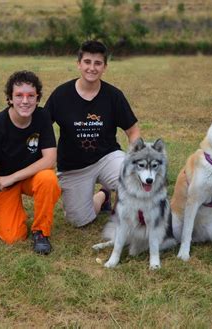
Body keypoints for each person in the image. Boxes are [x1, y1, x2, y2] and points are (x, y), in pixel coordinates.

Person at [44, 40, 140, 227]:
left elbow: (133, 130)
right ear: (79, 64)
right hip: (74, 167)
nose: (92, 68)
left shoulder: (113, 96)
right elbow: (43, 126)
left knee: (132, 176)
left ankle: (120, 212)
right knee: (78, 220)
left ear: (105, 67)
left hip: (107, 158)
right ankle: (103, 195)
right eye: (87, 62)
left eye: (98, 63)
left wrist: (134, 158)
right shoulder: (61, 95)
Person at [0, 70, 61, 254]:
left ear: (37, 99)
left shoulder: (42, 116)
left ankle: (41, 232)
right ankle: (15, 211)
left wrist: (13, 177)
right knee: (12, 237)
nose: (25, 101)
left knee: (48, 179)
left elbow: (50, 159)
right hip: (4, 184)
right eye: (19, 95)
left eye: (31, 96)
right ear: (9, 99)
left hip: (27, 177)